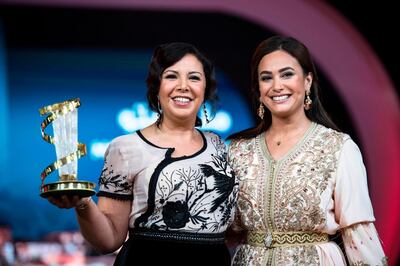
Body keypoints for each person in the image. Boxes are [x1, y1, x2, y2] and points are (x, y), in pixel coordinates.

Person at [47, 42, 238, 265]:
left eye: (194, 78)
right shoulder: (126, 147)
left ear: (205, 90)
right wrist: (83, 204)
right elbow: (108, 241)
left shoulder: (219, 144)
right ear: (157, 87)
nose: (183, 86)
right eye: (171, 76)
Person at [227, 36, 387, 265]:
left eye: (287, 74)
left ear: (307, 81)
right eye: (266, 78)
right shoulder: (238, 151)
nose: (277, 86)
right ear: (259, 89)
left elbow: (358, 234)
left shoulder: (338, 147)